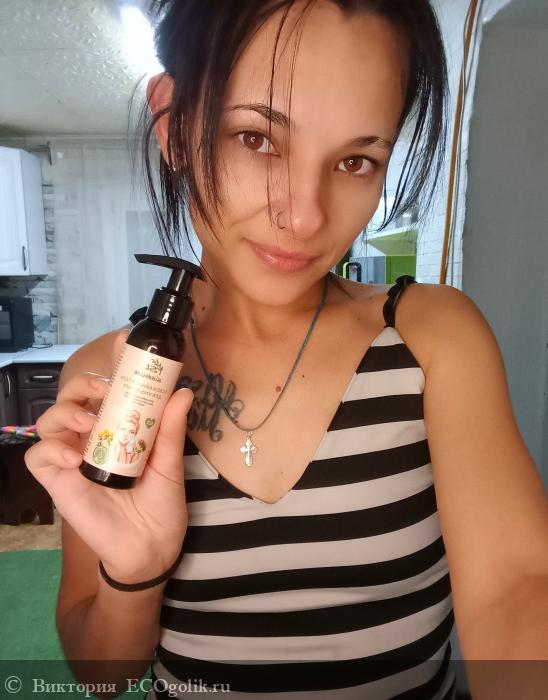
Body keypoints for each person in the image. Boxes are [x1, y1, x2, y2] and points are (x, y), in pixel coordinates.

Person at [25, 1, 548, 698]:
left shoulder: (432, 341)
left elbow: (517, 589)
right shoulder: (112, 381)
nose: (304, 216)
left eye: (356, 161)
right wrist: (137, 571)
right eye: (257, 139)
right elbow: (101, 676)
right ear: (174, 126)